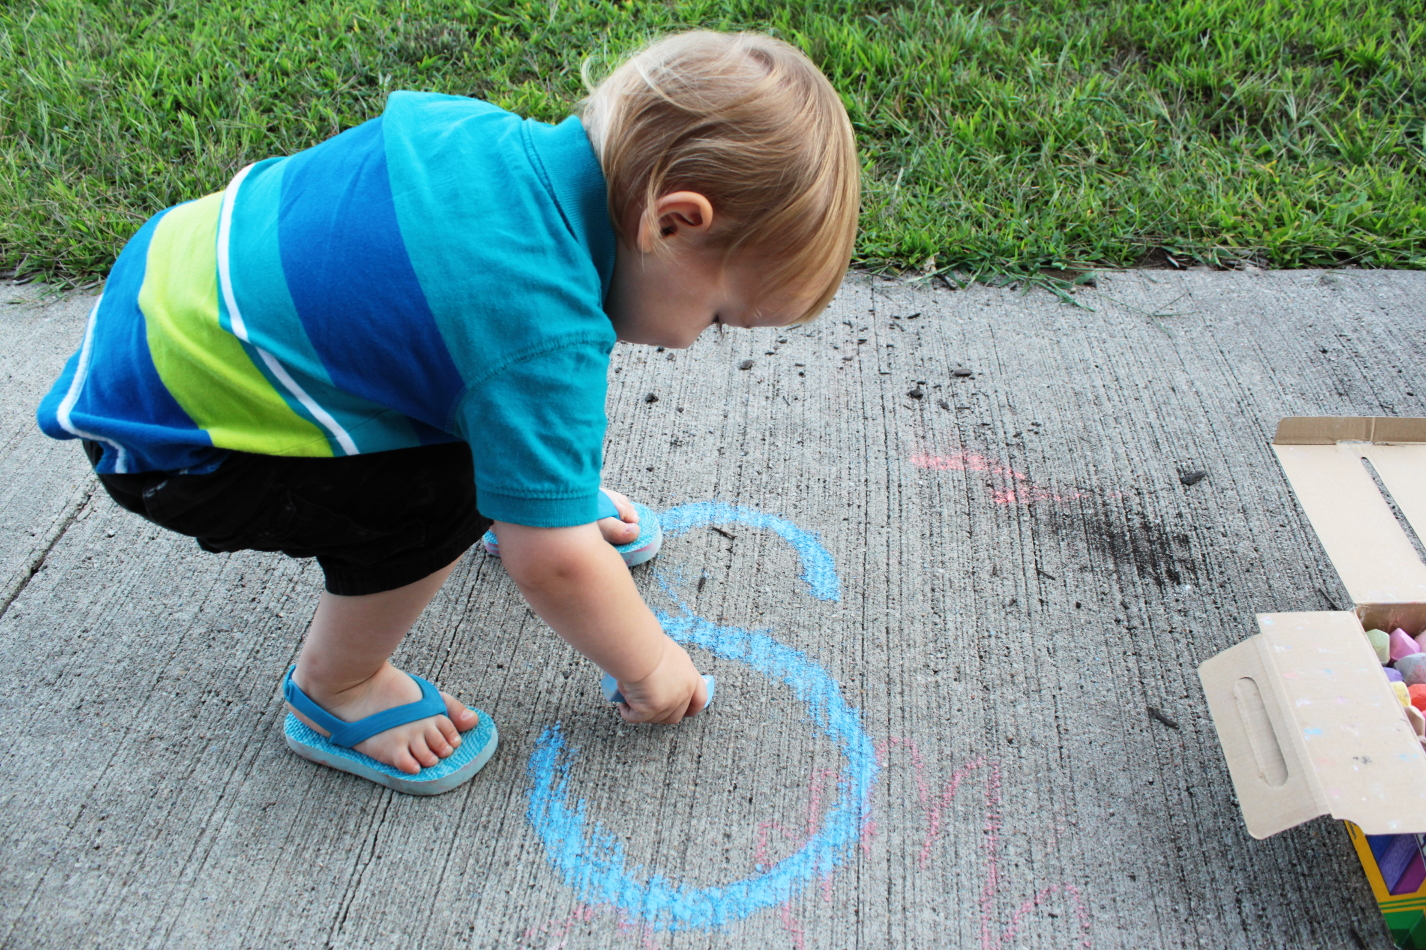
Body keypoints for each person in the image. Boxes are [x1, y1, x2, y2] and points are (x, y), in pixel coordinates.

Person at [35, 30, 859, 794]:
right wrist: (650, 662)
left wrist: (547, 499)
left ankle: (527, 491)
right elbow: (558, 566)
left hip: (159, 302)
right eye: (717, 318)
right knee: (454, 487)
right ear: (673, 222)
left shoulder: (477, 137)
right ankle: (339, 687)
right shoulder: (537, 328)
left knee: (475, 396)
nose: (692, 342)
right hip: (178, 447)